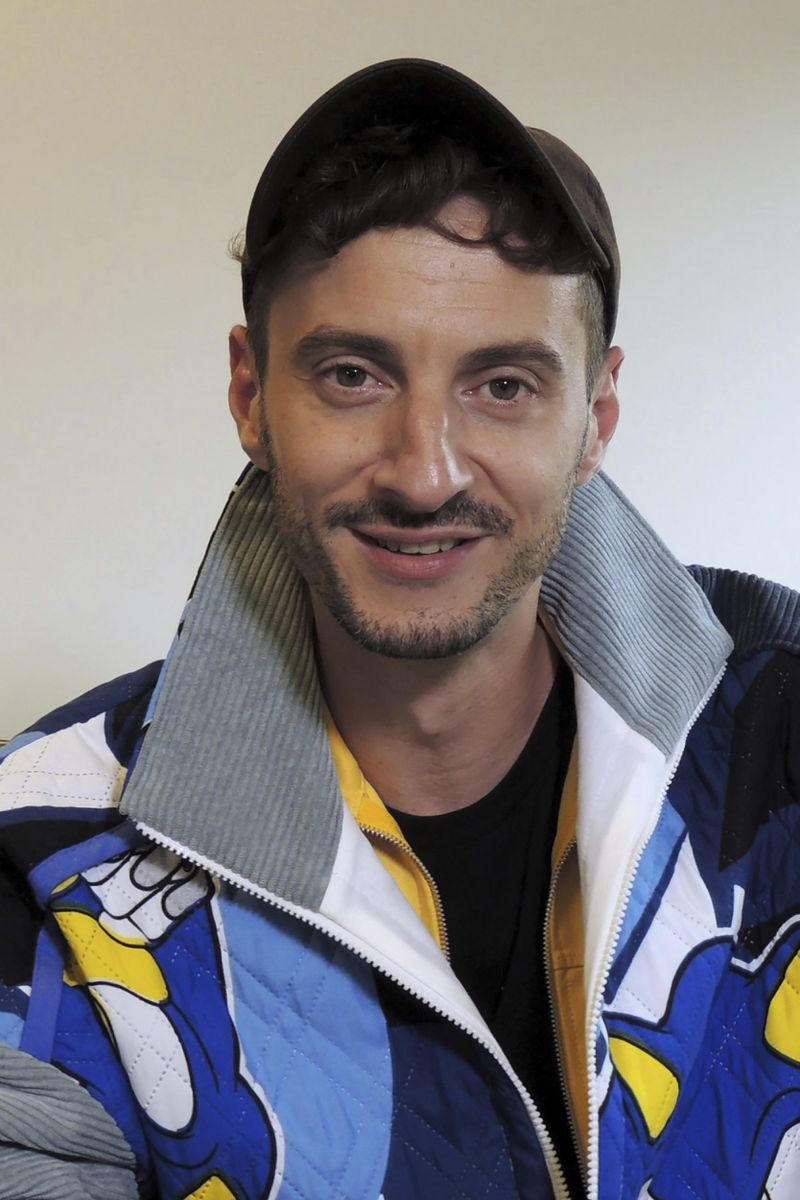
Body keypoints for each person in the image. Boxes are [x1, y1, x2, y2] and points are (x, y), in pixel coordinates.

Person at [0, 58, 798, 1200]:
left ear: (595, 416)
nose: (424, 474)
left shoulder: (784, 727)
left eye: (504, 386)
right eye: (351, 375)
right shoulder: (42, 856)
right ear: (249, 396)